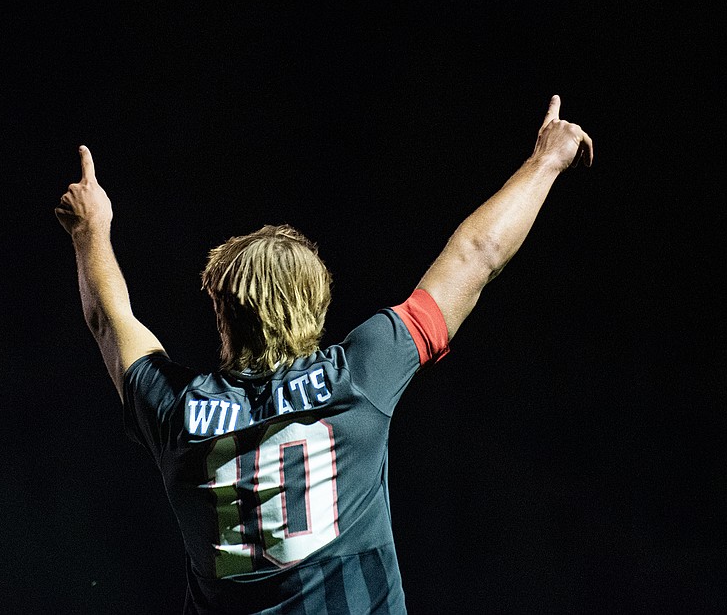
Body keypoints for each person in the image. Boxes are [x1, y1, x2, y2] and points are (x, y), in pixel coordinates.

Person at [55, 95, 593, 614]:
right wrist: (546, 160)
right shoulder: (362, 372)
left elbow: (108, 318)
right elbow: (477, 254)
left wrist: (90, 230)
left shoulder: (176, 412)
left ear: (221, 311)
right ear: (317, 303)